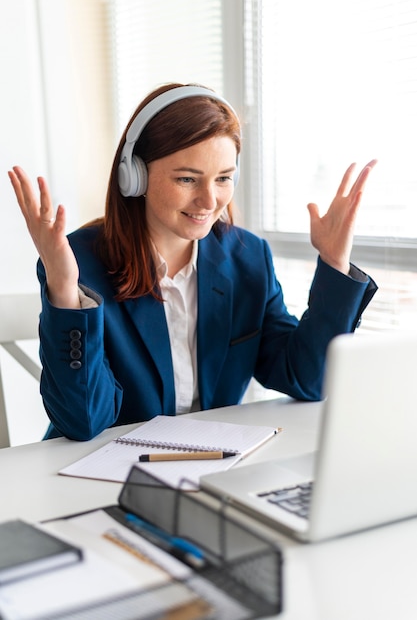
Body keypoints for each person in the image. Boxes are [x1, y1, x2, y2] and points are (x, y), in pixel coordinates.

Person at [9, 82, 377, 441]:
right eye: (187, 178)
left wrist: (334, 263)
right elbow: (84, 421)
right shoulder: (78, 262)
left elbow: (305, 378)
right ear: (134, 176)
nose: (209, 200)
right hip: (98, 476)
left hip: (208, 467)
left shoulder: (248, 257)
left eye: (223, 179)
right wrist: (63, 287)